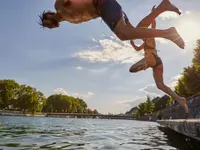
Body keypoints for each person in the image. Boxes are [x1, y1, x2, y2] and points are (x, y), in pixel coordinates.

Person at [38, 0, 185, 49]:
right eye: (48, 26)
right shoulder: (72, 21)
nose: (49, 24)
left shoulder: (59, 5)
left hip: (102, 3)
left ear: (49, 14)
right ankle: (162, 7)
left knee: (123, 34)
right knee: (134, 32)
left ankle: (169, 33)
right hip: (106, 11)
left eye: (47, 21)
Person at [129, 6, 189, 117]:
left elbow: (153, 26)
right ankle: (180, 99)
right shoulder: (144, 43)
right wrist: (133, 44)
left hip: (153, 58)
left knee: (133, 68)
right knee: (160, 86)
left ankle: (145, 63)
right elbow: (137, 49)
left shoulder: (150, 37)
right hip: (157, 64)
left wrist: (153, 14)